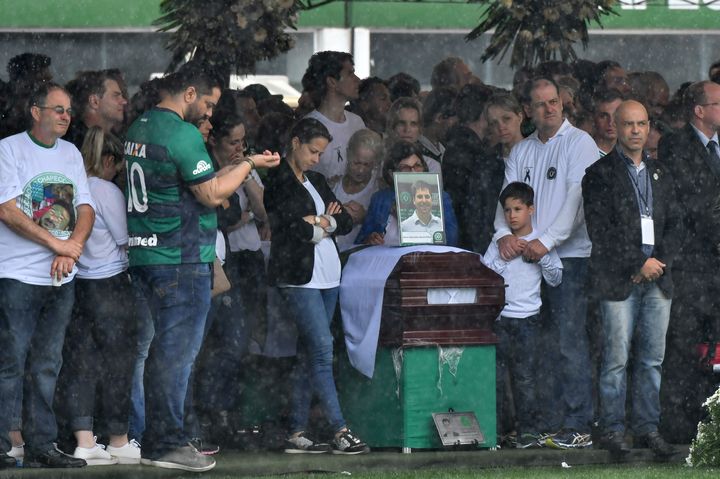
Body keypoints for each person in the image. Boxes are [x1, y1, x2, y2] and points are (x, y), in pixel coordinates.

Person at [124, 61, 280, 472]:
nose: (210, 113)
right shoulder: (182, 134)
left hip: (145, 254)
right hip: (181, 259)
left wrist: (239, 166)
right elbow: (211, 194)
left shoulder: (140, 126)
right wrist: (248, 166)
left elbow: (192, 181)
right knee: (176, 356)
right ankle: (167, 443)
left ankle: (155, 438)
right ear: (189, 94)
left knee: (159, 352)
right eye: (208, 103)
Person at [493, 77, 599, 449]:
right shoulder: (521, 151)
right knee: (538, 345)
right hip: (526, 261)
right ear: (528, 111)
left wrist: (546, 241)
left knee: (569, 341)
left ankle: (579, 423)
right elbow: (506, 198)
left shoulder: (580, 143)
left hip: (568, 258)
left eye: (554, 101)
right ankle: (549, 422)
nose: (550, 108)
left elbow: (577, 201)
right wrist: (501, 234)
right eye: (541, 104)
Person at [0, 82, 95, 469]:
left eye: (68, 110)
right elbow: (6, 209)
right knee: (10, 361)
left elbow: (85, 208)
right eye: (57, 109)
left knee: (46, 363)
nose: (65, 116)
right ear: (35, 112)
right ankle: (3, 444)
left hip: (60, 278)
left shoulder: (71, 153)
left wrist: (71, 246)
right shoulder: (9, 149)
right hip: (18, 276)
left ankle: (41, 444)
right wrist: (58, 245)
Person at [263, 118, 369, 455]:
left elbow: (347, 220)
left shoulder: (319, 180)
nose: (316, 158)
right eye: (312, 151)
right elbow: (292, 229)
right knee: (322, 349)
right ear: (295, 143)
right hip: (299, 277)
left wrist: (320, 222)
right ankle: (340, 428)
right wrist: (326, 221)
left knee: (310, 353)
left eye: (321, 153)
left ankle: (296, 429)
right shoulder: (278, 180)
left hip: (328, 274)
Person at [583, 101, 681, 458]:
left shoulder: (662, 173)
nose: (636, 131)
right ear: (616, 126)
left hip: (659, 279)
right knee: (615, 360)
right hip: (619, 278)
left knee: (652, 360)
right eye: (628, 124)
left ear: (649, 127)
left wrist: (658, 263)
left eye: (641, 124)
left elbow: (676, 224)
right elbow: (602, 232)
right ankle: (612, 430)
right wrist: (639, 262)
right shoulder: (599, 173)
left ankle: (647, 429)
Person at [57, 126, 139, 465]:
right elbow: (125, 239)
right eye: (117, 165)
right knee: (119, 364)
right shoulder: (106, 190)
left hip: (78, 283)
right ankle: (118, 438)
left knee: (81, 365)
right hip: (111, 284)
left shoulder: (70, 186)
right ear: (109, 160)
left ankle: (85, 439)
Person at [658, 80, 720, 443]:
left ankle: (713, 424)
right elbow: (691, 202)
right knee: (684, 348)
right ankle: (683, 427)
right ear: (699, 110)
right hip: (692, 265)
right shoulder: (676, 145)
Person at [484, 182, 563, 449]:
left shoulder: (541, 241)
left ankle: (527, 432)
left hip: (528, 320)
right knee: (494, 377)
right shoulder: (500, 243)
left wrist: (540, 256)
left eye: (518, 209)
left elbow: (555, 278)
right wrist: (504, 257)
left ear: (531, 209)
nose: (512, 215)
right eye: (507, 210)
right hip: (499, 319)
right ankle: (494, 431)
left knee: (526, 378)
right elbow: (485, 274)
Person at [355, 140, 458, 246]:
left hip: (425, 259)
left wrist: (409, 217)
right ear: (391, 174)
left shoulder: (440, 197)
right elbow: (361, 240)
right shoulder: (380, 199)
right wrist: (370, 240)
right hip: (388, 259)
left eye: (417, 166)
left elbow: (451, 239)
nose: (413, 172)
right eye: (405, 168)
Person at [302, 51, 365, 187]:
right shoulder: (308, 127)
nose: (358, 80)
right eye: (350, 73)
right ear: (332, 82)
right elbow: (296, 178)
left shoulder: (357, 123)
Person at [332, 129, 383, 251]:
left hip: (359, 258)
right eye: (356, 163)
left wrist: (365, 217)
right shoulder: (333, 185)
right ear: (348, 154)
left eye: (367, 165)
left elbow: (386, 227)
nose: (360, 170)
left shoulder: (378, 189)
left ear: (375, 163)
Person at [64, 70, 128, 149]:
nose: (124, 102)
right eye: (116, 96)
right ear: (94, 102)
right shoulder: (72, 147)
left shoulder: (115, 141)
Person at [385, 97, 441, 173]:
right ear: (392, 126)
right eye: (401, 123)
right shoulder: (377, 164)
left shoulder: (431, 166)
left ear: (420, 129)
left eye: (413, 124)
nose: (407, 130)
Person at [591, 88, 624, 156]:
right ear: (593, 118)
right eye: (604, 116)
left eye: (616, 115)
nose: (611, 122)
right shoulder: (582, 153)